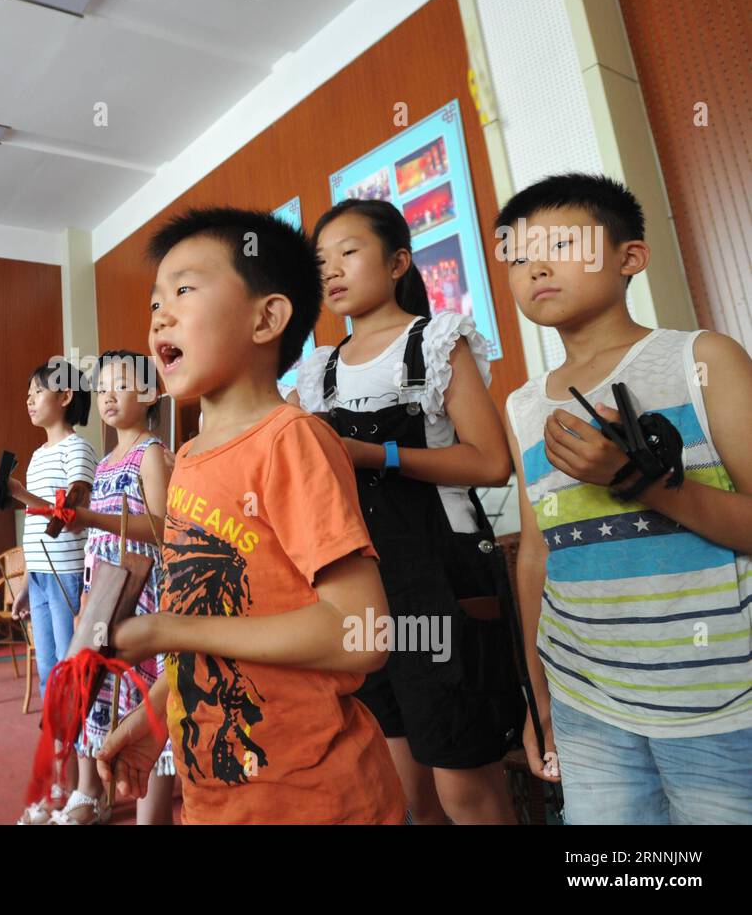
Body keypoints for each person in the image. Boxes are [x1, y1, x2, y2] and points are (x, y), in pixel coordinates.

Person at [97, 207, 406, 824]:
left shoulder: (290, 440)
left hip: (314, 801)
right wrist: (157, 715)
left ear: (267, 317)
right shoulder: (185, 458)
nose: (160, 313)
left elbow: (363, 632)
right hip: (215, 793)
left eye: (184, 289)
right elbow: (206, 619)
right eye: (156, 300)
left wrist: (164, 631)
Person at [499, 173, 752, 824]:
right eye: (520, 255)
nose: (536, 266)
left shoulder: (701, 360)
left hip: (720, 697)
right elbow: (534, 556)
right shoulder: (525, 405)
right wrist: (538, 691)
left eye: (561, 243)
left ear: (629, 257)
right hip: (588, 703)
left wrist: (637, 480)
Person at [287, 199, 522, 824]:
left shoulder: (438, 340)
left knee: (463, 779)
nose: (331, 270)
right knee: (401, 788)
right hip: (359, 583)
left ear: (397, 262)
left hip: (441, 577)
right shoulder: (318, 373)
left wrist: (375, 454)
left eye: (349, 252)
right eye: (321, 262)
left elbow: (491, 462)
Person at [53, 350, 176, 825]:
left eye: (120, 384)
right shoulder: (103, 463)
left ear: (149, 394)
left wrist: (91, 517)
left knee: (147, 706)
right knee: (108, 701)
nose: (106, 394)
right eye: (101, 386)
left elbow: (164, 528)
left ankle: (153, 813)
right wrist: (85, 602)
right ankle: (100, 796)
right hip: (106, 600)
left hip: (145, 598)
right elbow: (95, 547)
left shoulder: (150, 453)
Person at [0, 359, 97, 824]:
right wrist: (26, 584)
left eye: (37, 391)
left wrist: (18, 493)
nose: (28, 400)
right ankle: (60, 784)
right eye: (26, 393)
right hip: (44, 580)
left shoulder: (77, 449)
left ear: (65, 397)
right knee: (50, 682)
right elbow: (34, 533)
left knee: (73, 680)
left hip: (69, 580)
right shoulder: (39, 453)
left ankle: (89, 788)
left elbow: (71, 513)